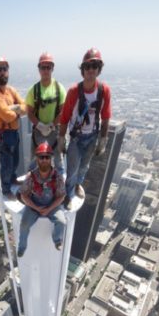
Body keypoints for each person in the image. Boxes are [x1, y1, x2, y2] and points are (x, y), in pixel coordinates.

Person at [56, 47, 112, 209]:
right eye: (87, 66)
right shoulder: (74, 91)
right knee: (72, 168)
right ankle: (68, 193)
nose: (91, 70)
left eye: (94, 66)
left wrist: (103, 139)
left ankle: (77, 185)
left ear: (99, 69)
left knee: (85, 166)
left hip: (92, 136)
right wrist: (61, 139)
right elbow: (65, 117)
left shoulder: (104, 91)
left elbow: (106, 117)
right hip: (76, 137)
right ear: (83, 70)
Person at [16, 142, 66, 257]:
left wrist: (49, 209)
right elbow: (24, 195)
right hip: (34, 205)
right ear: (37, 159)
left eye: (47, 157)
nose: (44, 160)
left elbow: (61, 196)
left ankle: (57, 241)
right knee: (24, 225)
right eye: (41, 157)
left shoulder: (57, 177)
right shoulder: (31, 177)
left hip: (51, 205)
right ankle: (22, 247)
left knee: (61, 221)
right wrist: (36, 207)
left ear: (51, 159)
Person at [0, 54, 26, 198]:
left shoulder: (10, 90)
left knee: (15, 160)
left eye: (4, 68)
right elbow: (7, 116)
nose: (2, 72)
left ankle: (13, 179)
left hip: (14, 132)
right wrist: (17, 110)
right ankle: (6, 190)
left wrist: (14, 109)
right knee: (7, 164)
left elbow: (25, 106)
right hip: (4, 134)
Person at [25, 52, 67, 177]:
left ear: (52, 69)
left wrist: (51, 125)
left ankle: (61, 183)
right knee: (34, 159)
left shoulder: (59, 88)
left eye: (48, 67)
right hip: (38, 131)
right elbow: (29, 112)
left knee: (58, 159)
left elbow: (63, 111)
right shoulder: (34, 90)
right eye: (43, 67)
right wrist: (40, 125)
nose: (46, 70)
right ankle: (31, 182)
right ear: (39, 69)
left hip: (55, 129)